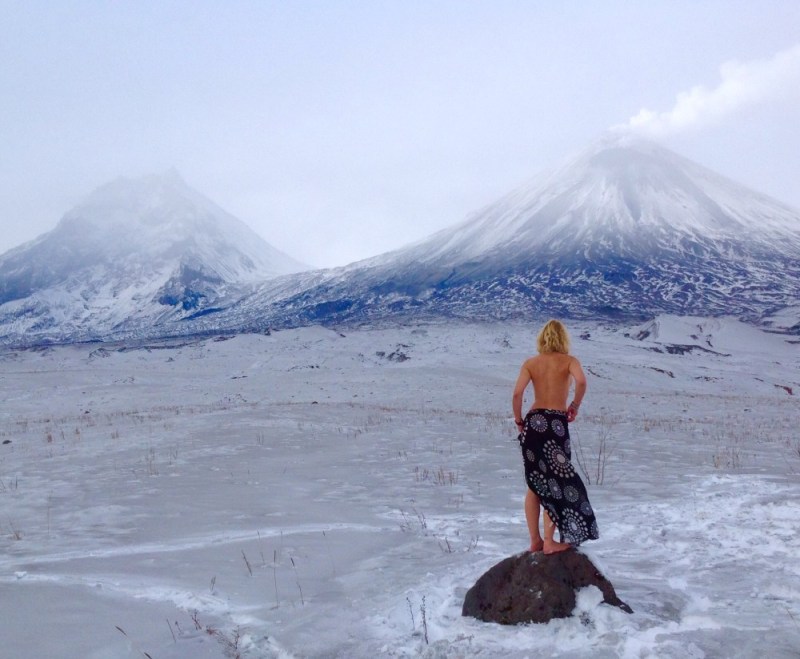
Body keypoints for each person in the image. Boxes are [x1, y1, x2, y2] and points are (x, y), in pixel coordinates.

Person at [512, 319, 598, 554]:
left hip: (533, 423)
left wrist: (520, 421)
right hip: (555, 425)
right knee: (555, 481)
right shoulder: (569, 361)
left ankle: (535, 541)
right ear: (563, 339)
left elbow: (517, 393)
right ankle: (550, 541)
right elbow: (581, 380)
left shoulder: (531, 363)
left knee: (535, 483)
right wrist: (575, 405)